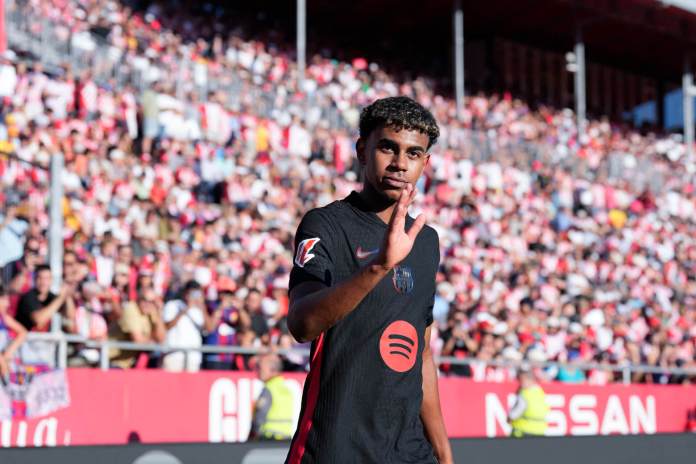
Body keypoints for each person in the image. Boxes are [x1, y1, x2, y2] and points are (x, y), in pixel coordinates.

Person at [285, 97, 452, 463]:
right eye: (388, 148)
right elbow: (301, 323)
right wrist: (377, 267)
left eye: (413, 153)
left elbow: (421, 354)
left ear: (425, 163)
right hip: (334, 448)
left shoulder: (426, 241)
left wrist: (444, 453)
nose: (399, 163)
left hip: (409, 453)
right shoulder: (325, 224)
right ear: (363, 150)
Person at [162, 280, 208, 372]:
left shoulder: (199, 309)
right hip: (173, 355)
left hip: (193, 357)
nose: (194, 296)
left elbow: (209, 329)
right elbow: (167, 326)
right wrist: (186, 308)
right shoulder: (173, 305)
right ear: (185, 292)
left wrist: (203, 307)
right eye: (192, 293)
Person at [249, 353, 295, 441]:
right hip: (286, 439)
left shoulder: (268, 389)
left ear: (272, 370)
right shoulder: (285, 389)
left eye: (260, 368)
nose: (258, 371)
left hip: (268, 438)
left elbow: (259, 416)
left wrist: (251, 436)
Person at [508, 366, 549, 437]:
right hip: (540, 431)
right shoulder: (540, 392)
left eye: (521, 380)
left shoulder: (524, 393)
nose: (520, 383)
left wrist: (509, 418)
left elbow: (515, 413)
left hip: (523, 431)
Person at [0, 285, 28, 381]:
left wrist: (9, 351)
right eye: (4, 300)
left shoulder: (4, 318)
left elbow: (23, 332)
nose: (7, 304)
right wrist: (2, 361)